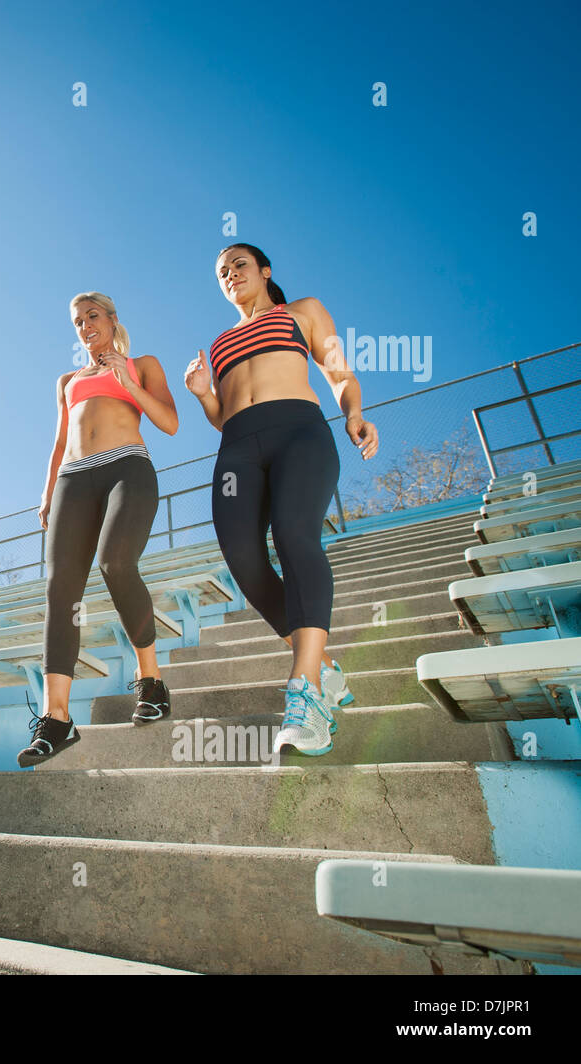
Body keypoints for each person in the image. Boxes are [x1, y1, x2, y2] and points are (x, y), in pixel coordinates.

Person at [185, 243, 379, 756]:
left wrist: (354, 412)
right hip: (238, 450)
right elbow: (224, 415)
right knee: (243, 561)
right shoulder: (221, 341)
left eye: (239, 265)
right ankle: (327, 667)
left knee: (294, 535)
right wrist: (205, 394)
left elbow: (339, 372)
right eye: (221, 272)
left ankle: (306, 693)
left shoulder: (304, 312)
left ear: (265, 271)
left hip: (299, 433)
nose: (230, 275)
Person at [19, 292, 179, 767]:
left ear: (112, 320)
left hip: (127, 466)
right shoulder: (67, 380)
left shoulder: (143, 364)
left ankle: (150, 681)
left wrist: (126, 378)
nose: (85, 326)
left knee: (116, 562)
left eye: (92, 316)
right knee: (60, 589)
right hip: (73, 479)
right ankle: (57, 717)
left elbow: (169, 422)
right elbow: (60, 440)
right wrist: (48, 492)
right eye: (77, 321)